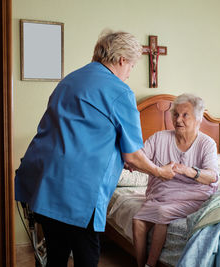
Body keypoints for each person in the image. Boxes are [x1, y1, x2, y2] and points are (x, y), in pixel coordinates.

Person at [14, 30, 176, 267]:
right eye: (131, 66)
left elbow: (80, 132)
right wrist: (161, 172)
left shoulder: (70, 80)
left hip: (45, 183)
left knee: (56, 257)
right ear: (121, 60)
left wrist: (123, 160)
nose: (130, 73)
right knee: (87, 258)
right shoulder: (119, 91)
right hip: (78, 192)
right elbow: (132, 154)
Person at [132, 93, 219, 267]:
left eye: (185, 115)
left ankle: (150, 264)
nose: (178, 120)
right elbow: (138, 160)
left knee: (163, 213)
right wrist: (138, 164)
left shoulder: (206, 143)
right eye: (175, 115)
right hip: (162, 194)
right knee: (137, 222)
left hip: (194, 196)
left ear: (198, 119)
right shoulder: (159, 138)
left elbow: (212, 176)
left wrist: (187, 170)